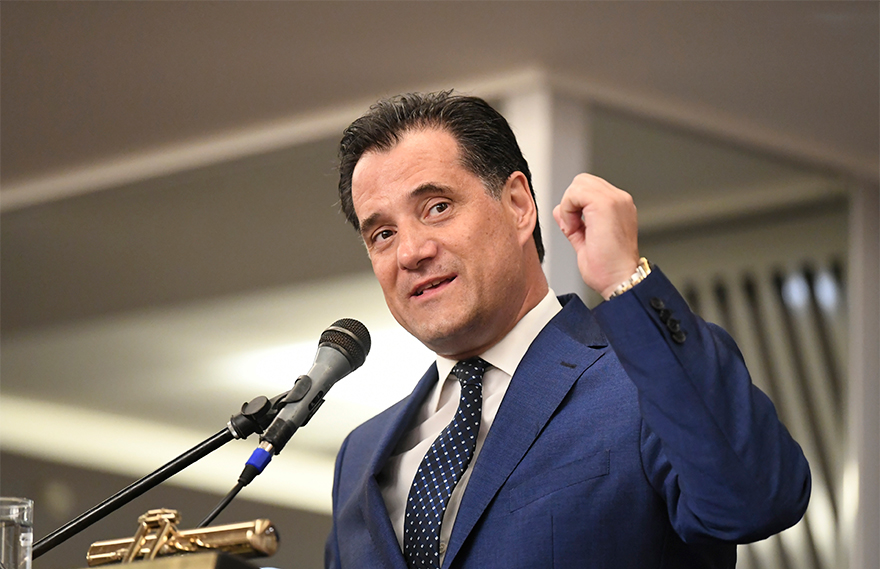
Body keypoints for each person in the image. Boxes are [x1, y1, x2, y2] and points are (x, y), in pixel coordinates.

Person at [325, 91, 810, 569]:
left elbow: (758, 500)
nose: (410, 252)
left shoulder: (644, 380)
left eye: (437, 207)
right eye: (383, 234)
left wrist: (625, 280)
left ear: (518, 204)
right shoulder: (360, 456)